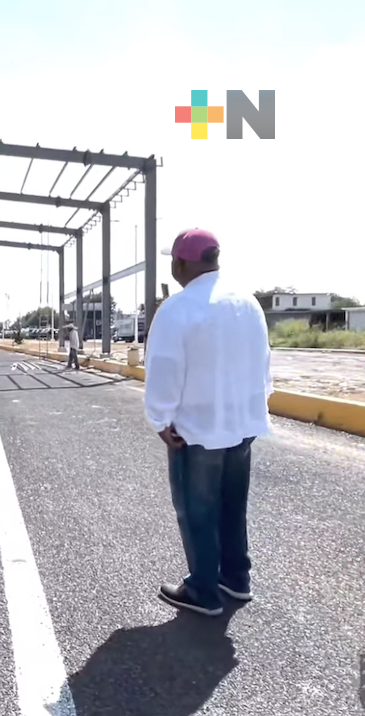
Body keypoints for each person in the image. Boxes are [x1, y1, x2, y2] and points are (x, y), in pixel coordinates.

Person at [144, 229, 272, 616]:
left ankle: (202, 589)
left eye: (173, 261)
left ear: (181, 263)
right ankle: (236, 578)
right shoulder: (248, 302)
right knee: (233, 506)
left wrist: (160, 419)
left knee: (197, 510)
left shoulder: (177, 308)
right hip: (242, 426)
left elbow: (164, 368)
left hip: (196, 430)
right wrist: (255, 410)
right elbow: (263, 362)